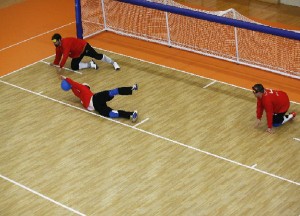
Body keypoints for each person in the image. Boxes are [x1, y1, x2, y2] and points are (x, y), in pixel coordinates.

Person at [60, 76, 138, 122]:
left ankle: (131, 88)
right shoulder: (80, 95)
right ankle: (131, 114)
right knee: (111, 113)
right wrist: (70, 86)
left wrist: (66, 78)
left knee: (112, 92)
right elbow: (74, 88)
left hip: (96, 99)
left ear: (86, 87)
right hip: (97, 107)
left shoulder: (84, 89)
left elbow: (74, 84)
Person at [50, 33, 120, 72]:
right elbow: (58, 55)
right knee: (74, 67)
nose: (55, 44)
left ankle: (113, 63)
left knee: (97, 56)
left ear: (60, 39)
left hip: (84, 47)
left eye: (56, 42)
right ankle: (91, 64)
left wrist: (61, 66)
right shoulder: (58, 46)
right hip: (77, 54)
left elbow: (65, 56)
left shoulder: (65, 43)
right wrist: (55, 63)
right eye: (54, 42)